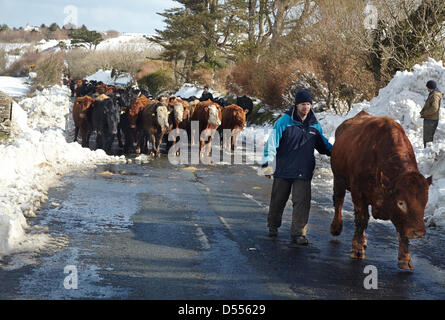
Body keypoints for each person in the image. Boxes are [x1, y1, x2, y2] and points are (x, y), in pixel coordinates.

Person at [261, 89, 332, 247]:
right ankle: (273, 226)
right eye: (302, 104)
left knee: (302, 203)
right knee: (278, 201)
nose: (306, 107)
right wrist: (267, 163)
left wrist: (338, 152)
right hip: (284, 169)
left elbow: (324, 145)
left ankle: (299, 233)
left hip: (304, 171)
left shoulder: (314, 125)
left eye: (308, 104)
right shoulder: (284, 122)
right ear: (296, 105)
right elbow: (272, 143)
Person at [420, 80, 442, 148]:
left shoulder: (435, 95)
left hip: (431, 120)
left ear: (431, 87)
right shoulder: (433, 94)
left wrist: (424, 113)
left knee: (428, 138)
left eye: (428, 87)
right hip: (430, 119)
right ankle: (427, 151)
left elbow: (434, 108)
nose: (427, 89)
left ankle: (427, 153)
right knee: (427, 138)